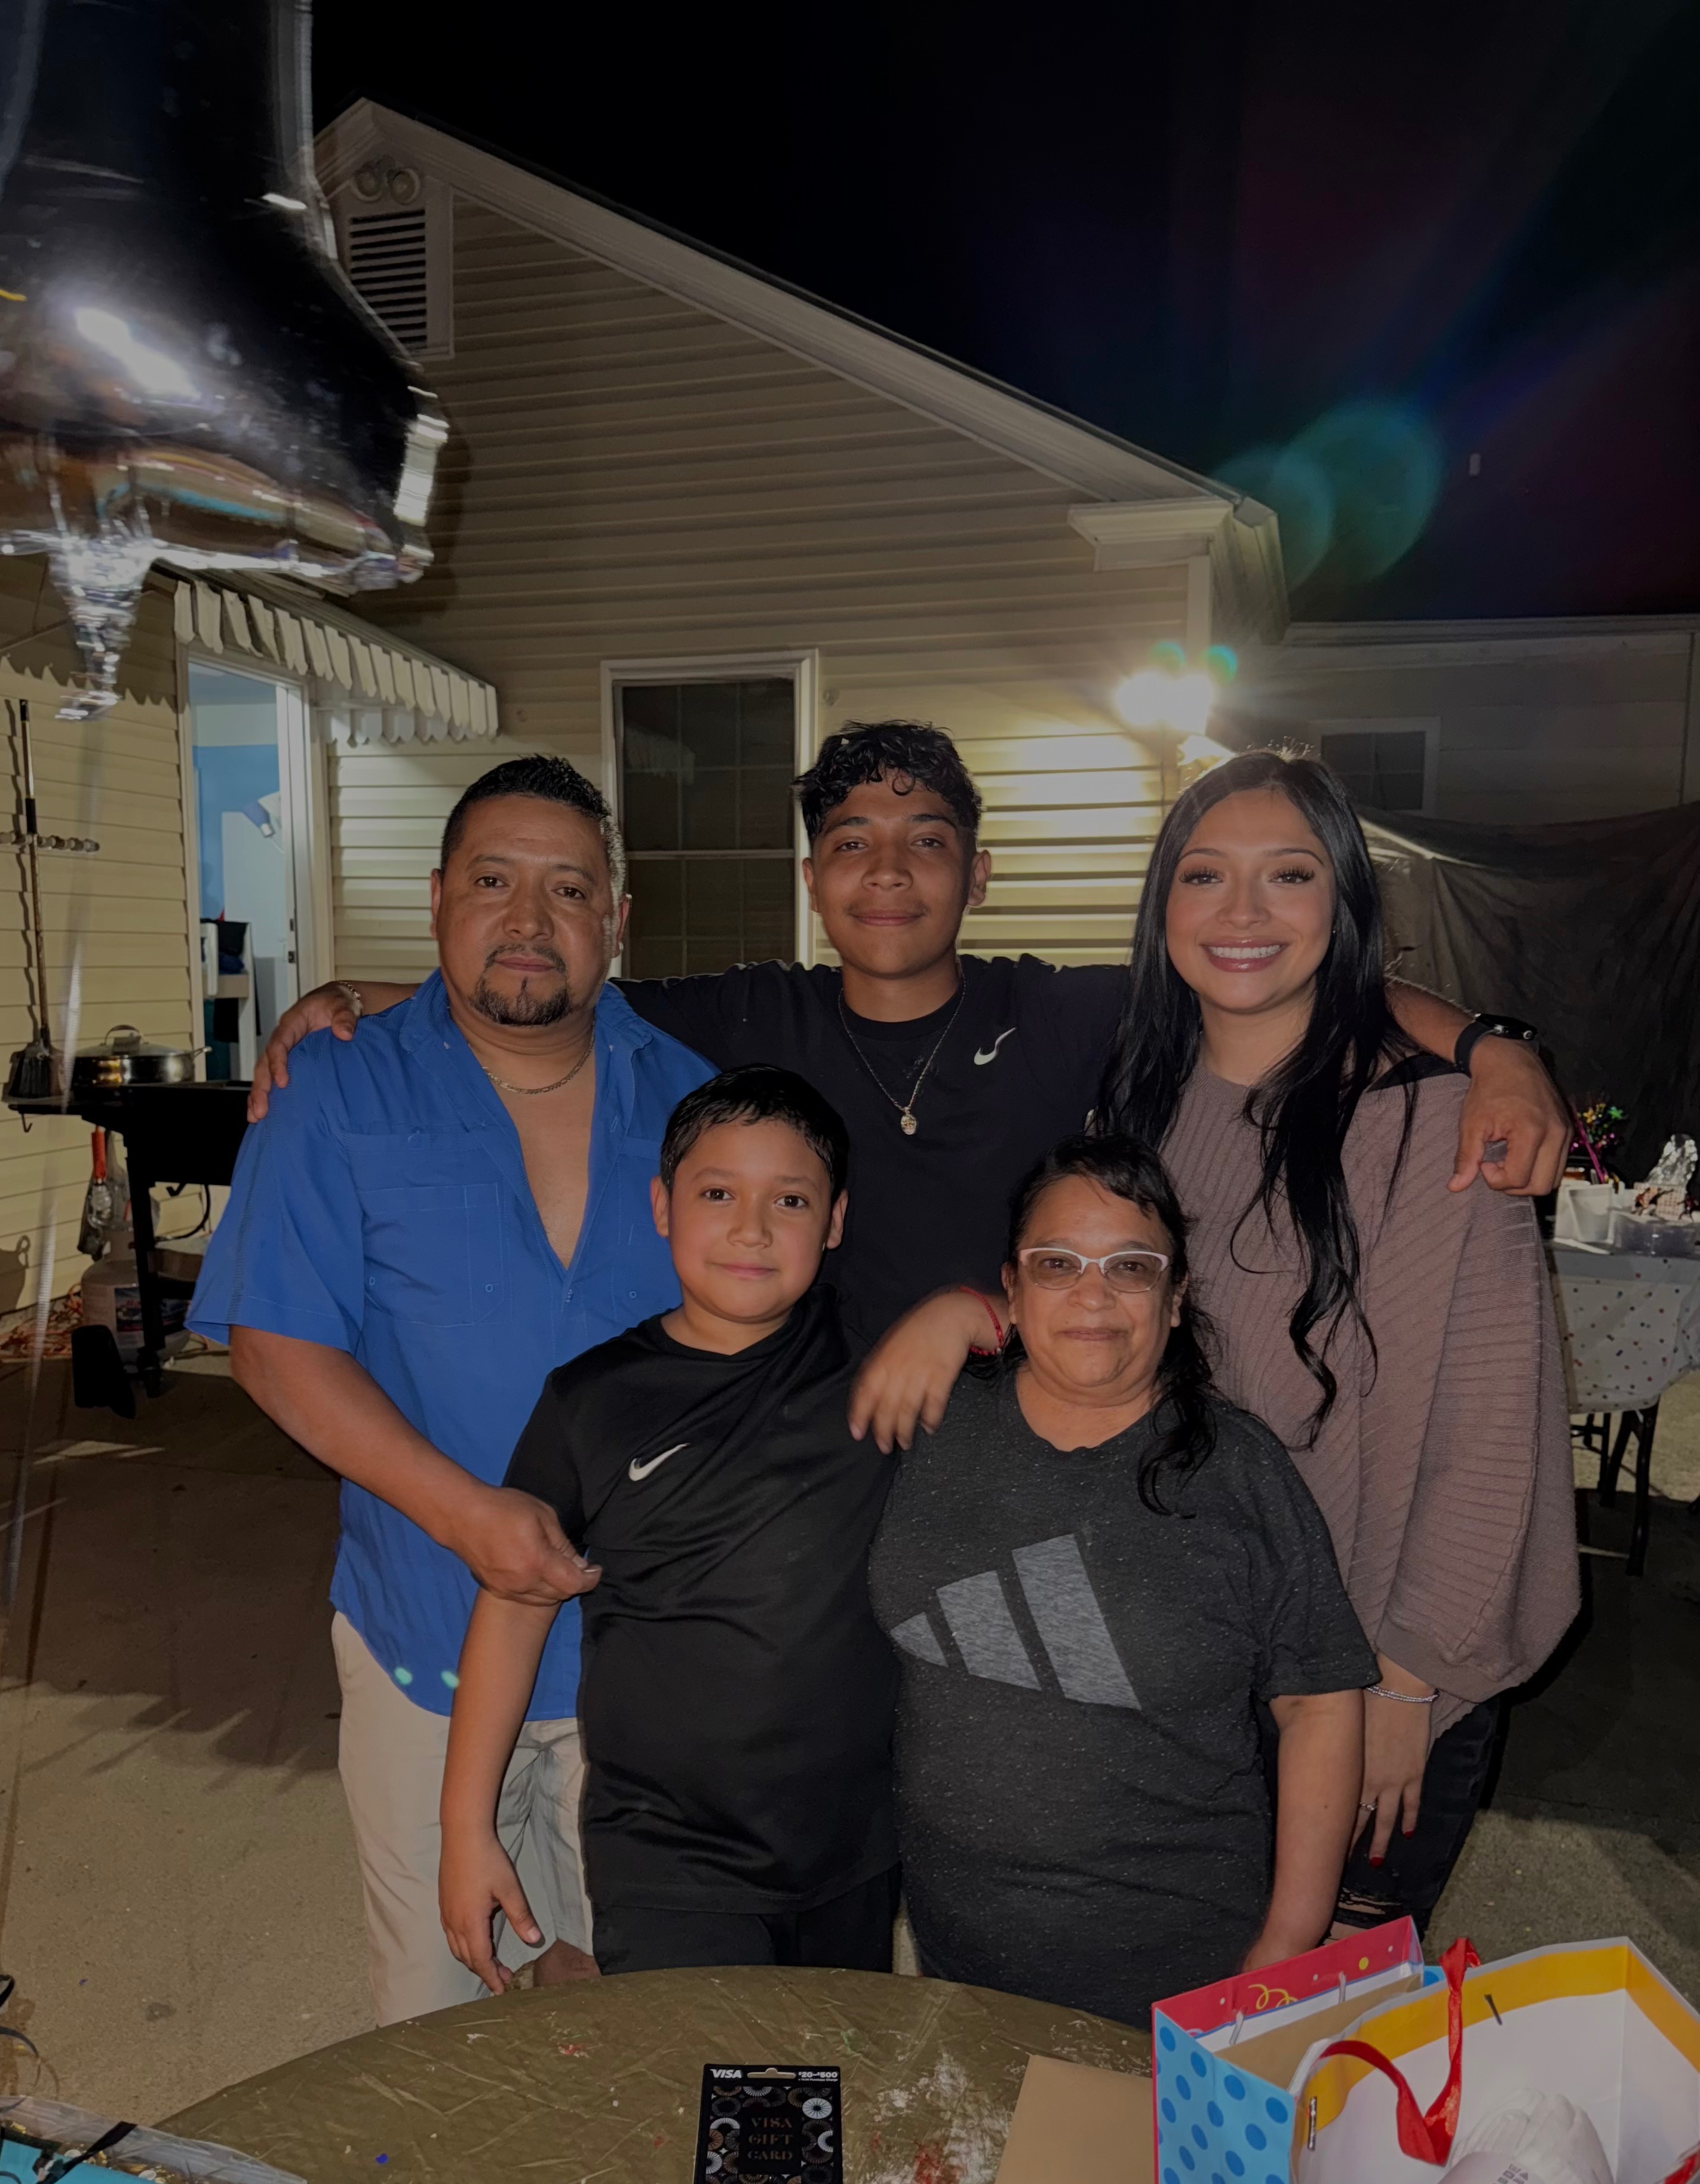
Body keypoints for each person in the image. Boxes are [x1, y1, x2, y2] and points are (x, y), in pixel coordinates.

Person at [250, 724, 1572, 1356]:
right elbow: (550, 974)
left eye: (927, 843)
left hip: (1024, 1441)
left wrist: (1492, 1047)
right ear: (813, 880)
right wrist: (364, 992)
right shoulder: (751, 1012)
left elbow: (1284, 979)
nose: (888, 874)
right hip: (809, 1457)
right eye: (852, 846)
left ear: (977, 875)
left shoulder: (1059, 1010)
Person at [892, 750, 1581, 1939]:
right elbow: (1115, 1330)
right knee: (1190, 1992)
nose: (1244, 913)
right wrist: (978, 1314)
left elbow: (1492, 1437)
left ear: (1343, 900)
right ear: (1163, 907)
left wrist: (1406, 1686)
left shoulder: (1437, 1123)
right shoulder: (1138, 1104)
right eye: (1206, 875)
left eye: (1290, 875)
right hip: (1197, 1662)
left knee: (1313, 2023)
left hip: (1375, 1669)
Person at [188, 757, 713, 2023]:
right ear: (436, 900)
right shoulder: (337, 1085)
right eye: (493, 883)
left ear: (617, 919)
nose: (529, 920)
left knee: (645, 2014)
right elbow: (273, 1344)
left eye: (568, 889)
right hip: (424, 1634)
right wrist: (467, 1515)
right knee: (437, 2023)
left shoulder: (697, 1102)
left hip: (649, 1659)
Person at [869, 1134, 1376, 2026]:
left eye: (1131, 1267)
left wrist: (1290, 1941)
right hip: (957, 1956)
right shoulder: (933, 1420)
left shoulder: (1238, 1471)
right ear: (1012, 1289)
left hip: (1179, 1974)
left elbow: (1320, 1704)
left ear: (1176, 1300)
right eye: (1058, 1264)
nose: (1093, 1294)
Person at [439, 1066, 899, 1983]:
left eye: (791, 1200)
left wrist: (964, 1315)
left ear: (835, 1221)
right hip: (666, 1860)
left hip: (853, 1849)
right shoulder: (592, 1400)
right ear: (663, 1205)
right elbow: (516, 1604)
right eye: (718, 1193)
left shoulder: (881, 1372)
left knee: (833, 2069)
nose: (752, 1228)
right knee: (701, 2073)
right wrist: (464, 1830)